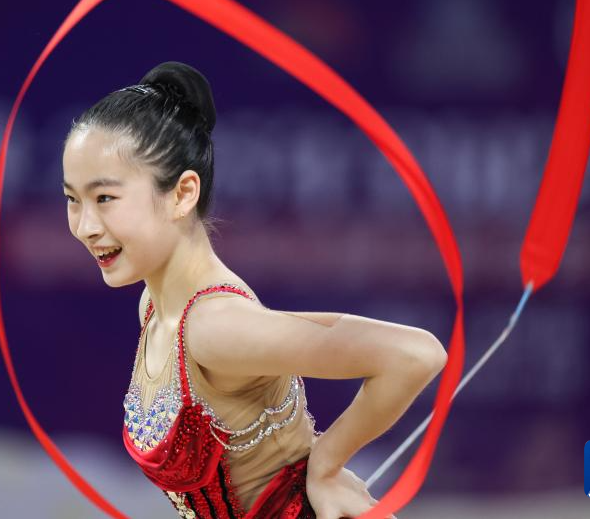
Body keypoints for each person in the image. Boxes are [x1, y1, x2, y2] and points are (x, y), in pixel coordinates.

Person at [61, 61, 446, 519]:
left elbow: (414, 355)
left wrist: (326, 466)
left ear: (183, 194)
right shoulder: (156, 305)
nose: (85, 226)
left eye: (105, 198)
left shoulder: (214, 327)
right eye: (72, 200)